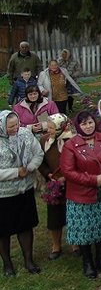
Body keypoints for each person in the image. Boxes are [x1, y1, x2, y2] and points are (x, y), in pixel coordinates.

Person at [61, 110, 101, 279]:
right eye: (84, 123)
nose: (88, 126)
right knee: (85, 230)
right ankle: (87, 261)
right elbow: (68, 171)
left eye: (90, 122)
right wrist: (93, 180)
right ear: (78, 126)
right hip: (82, 195)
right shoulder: (71, 145)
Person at [0, 110, 44, 277]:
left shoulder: (25, 134)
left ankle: (29, 260)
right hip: (3, 195)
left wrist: (31, 167)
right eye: (10, 126)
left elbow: (38, 153)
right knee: (3, 231)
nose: (15, 128)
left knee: (25, 225)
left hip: (24, 190)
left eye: (16, 124)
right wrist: (15, 172)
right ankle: (7, 264)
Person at [38, 113, 76, 260]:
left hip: (72, 183)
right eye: (49, 127)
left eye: (53, 128)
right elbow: (40, 161)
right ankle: (56, 245)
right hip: (53, 184)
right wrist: (48, 174)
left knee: (72, 213)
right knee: (54, 215)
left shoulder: (72, 139)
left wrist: (67, 177)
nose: (50, 130)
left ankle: (75, 243)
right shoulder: (44, 141)